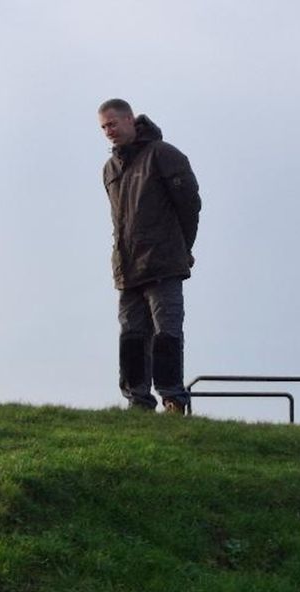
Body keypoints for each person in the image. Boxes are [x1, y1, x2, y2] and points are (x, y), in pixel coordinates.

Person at [98, 98, 201, 414]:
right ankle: (137, 400)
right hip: (127, 267)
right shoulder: (110, 168)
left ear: (130, 119)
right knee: (131, 335)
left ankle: (172, 397)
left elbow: (190, 205)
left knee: (166, 332)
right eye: (103, 127)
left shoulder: (163, 154)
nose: (108, 132)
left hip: (164, 262)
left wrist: (183, 248)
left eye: (112, 124)